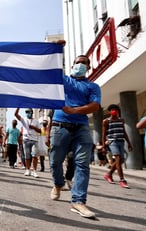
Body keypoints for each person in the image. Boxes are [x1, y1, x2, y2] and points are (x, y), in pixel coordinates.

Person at [47, 54, 101, 219]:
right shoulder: (63, 80)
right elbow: (49, 69)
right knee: (55, 161)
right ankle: (58, 183)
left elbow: (95, 106)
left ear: (88, 67)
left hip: (81, 128)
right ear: (72, 65)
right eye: (78, 62)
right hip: (59, 126)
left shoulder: (93, 86)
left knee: (82, 164)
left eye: (84, 63)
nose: (80, 65)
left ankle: (78, 201)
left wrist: (74, 110)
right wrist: (56, 49)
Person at [102, 104, 133, 188]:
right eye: (112, 109)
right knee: (118, 159)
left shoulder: (121, 120)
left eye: (115, 109)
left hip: (121, 141)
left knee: (121, 159)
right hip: (112, 142)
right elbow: (104, 134)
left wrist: (129, 143)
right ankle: (122, 180)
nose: (114, 111)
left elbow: (124, 132)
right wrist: (104, 147)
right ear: (110, 111)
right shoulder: (106, 121)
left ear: (118, 111)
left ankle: (109, 174)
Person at [15, 108, 41, 178]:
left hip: (34, 140)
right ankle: (27, 170)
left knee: (34, 156)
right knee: (27, 156)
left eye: (28, 112)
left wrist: (34, 127)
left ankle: (34, 171)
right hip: (26, 140)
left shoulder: (36, 121)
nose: (27, 113)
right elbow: (16, 114)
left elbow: (40, 131)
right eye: (26, 112)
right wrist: (18, 107)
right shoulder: (24, 120)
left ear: (32, 113)